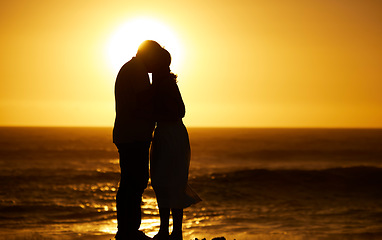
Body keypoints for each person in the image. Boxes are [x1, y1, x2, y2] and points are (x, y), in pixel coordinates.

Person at [112, 40, 163, 240]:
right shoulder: (137, 71)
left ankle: (128, 230)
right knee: (134, 182)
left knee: (131, 182)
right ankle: (128, 231)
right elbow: (143, 104)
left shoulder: (132, 68)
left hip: (129, 135)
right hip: (132, 136)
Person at [150, 48, 201, 240]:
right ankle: (169, 231)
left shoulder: (164, 84)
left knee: (169, 181)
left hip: (170, 133)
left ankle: (172, 231)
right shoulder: (165, 83)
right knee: (165, 181)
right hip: (171, 133)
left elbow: (178, 111)